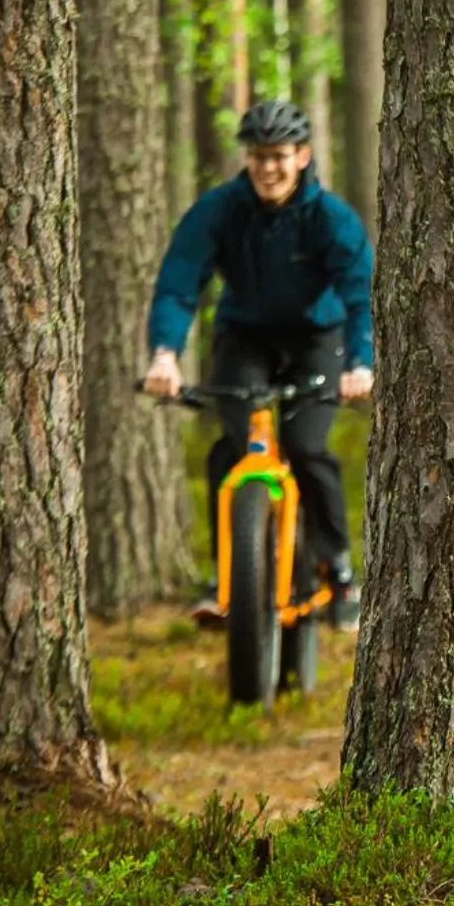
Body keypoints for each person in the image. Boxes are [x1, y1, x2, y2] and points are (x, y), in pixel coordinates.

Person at [142, 99, 374, 631]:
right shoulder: (221, 209)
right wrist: (165, 354)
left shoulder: (329, 218)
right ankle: (226, 574)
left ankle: (336, 568)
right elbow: (180, 281)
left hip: (318, 337)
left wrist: (361, 363)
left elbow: (360, 293)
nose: (268, 168)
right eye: (257, 157)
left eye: (278, 156)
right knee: (233, 446)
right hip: (245, 337)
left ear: (302, 156)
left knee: (307, 446)